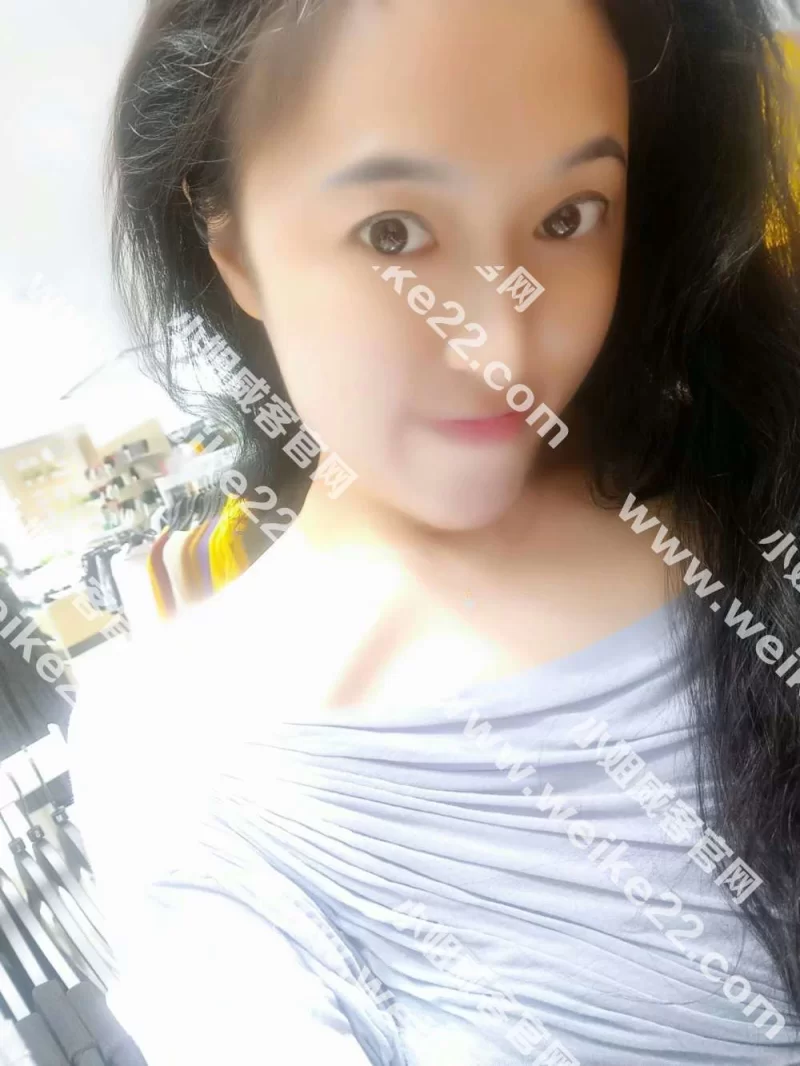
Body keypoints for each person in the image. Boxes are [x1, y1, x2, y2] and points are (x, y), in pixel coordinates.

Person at [66, 0, 800, 1063]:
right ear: (230, 245)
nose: (499, 344)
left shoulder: (748, 479)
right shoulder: (177, 753)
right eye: (393, 233)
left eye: (567, 216)